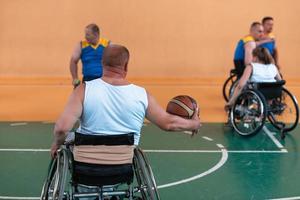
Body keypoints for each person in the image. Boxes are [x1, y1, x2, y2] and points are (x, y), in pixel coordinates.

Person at [51, 44, 201, 157]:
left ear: (101, 63)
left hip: (86, 161)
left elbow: (61, 128)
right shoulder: (142, 95)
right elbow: (169, 123)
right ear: (126, 65)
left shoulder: (83, 90)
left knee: (71, 136)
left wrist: (56, 144)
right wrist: (194, 123)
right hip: (123, 163)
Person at [70, 23, 110, 88]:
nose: (85, 37)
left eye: (88, 35)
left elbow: (115, 62)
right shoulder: (81, 45)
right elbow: (73, 61)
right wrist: (75, 79)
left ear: (96, 34)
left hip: (103, 79)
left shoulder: (107, 44)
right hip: (88, 80)